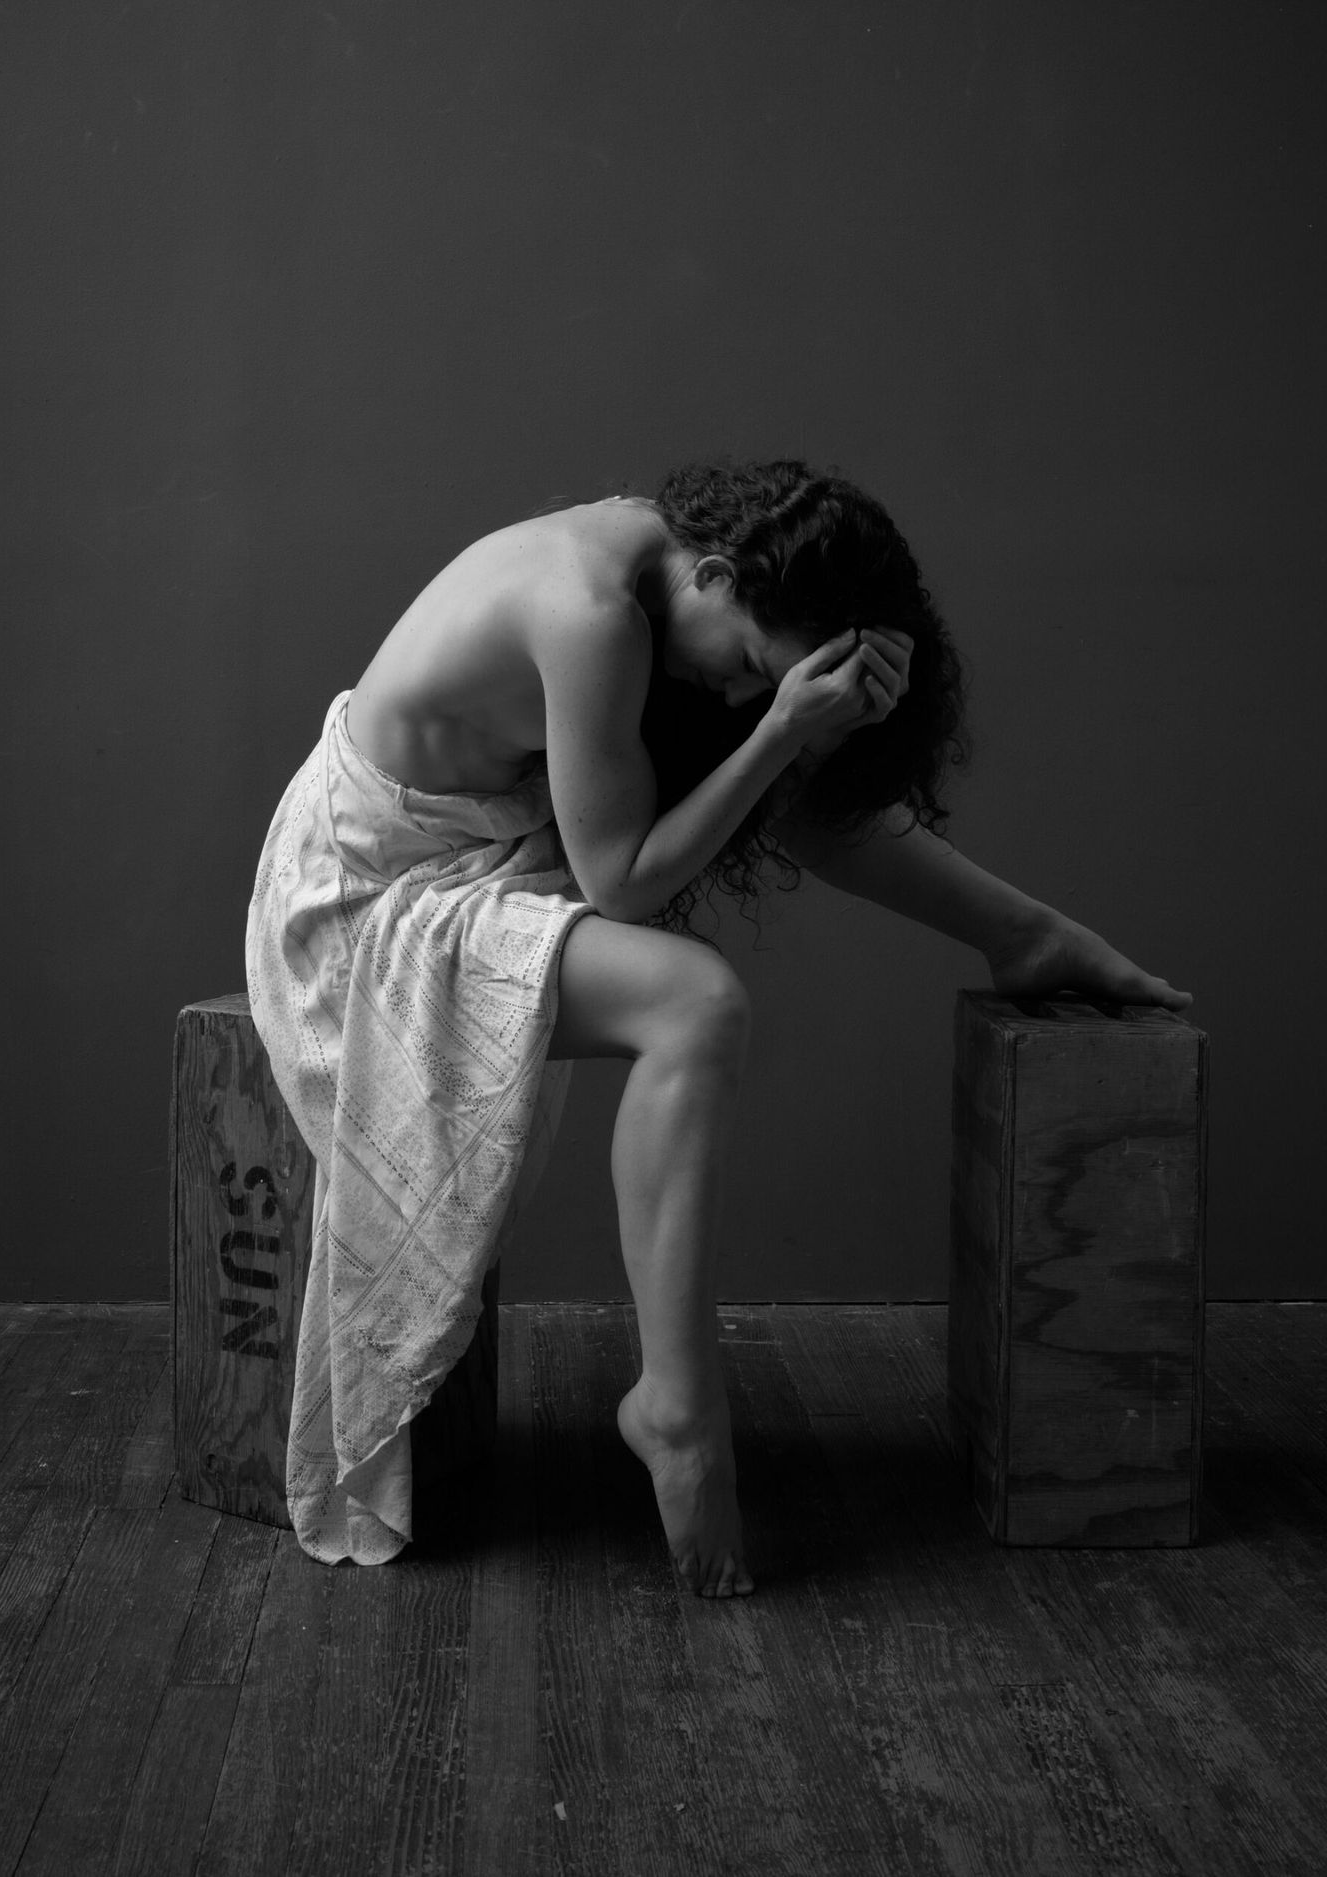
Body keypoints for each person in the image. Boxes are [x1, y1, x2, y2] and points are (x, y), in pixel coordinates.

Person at [246, 460, 1190, 1597]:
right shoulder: (588, 612)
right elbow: (626, 881)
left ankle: (1027, 938)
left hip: (472, 857)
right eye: (750, 665)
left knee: (739, 884)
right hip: (362, 900)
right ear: (716, 572)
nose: (743, 694)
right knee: (694, 999)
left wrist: (1016, 916)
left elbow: (808, 821)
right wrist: (783, 728)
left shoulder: (670, 575)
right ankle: (677, 1405)